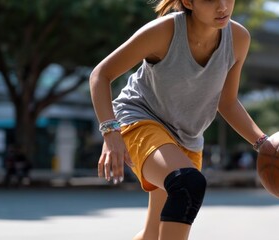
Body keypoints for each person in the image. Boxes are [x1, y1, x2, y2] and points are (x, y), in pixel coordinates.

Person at [89, 1, 267, 239]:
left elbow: (227, 102)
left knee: (153, 233)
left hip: (186, 137)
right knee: (187, 185)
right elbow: (101, 74)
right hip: (139, 117)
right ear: (188, 2)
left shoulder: (238, 39)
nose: (222, 6)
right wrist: (110, 133)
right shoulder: (163, 32)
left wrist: (262, 143)